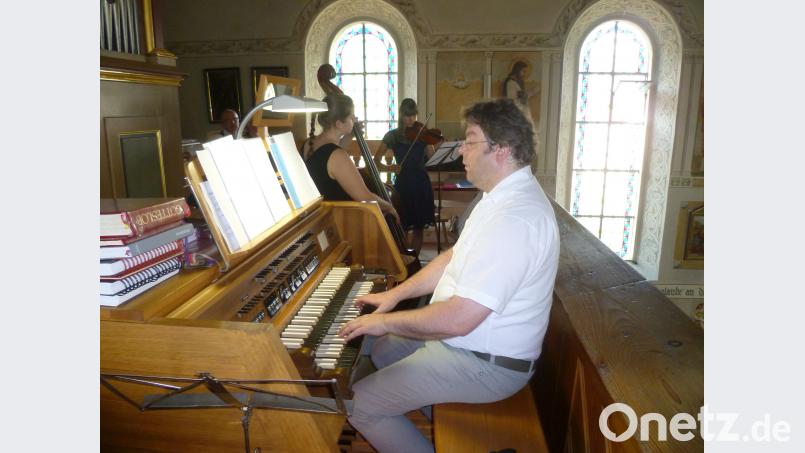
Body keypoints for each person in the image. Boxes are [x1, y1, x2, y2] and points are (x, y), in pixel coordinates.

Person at [339, 98, 560, 453]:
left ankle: (429, 420)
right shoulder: (496, 198)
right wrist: (394, 296)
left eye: (470, 140)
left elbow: (458, 320)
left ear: (501, 149)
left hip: (487, 364)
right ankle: (436, 414)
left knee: (358, 404)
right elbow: (451, 257)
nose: (460, 151)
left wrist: (385, 321)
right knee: (383, 351)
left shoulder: (515, 220)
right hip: (467, 344)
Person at [302, 93, 399, 220]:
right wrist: (389, 207)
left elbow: (327, 158)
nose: (354, 118)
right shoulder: (337, 156)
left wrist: (349, 137)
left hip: (321, 216)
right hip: (341, 221)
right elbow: (365, 197)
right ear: (339, 124)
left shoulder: (308, 144)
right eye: (351, 116)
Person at [373, 98, 437, 254]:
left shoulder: (422, 133)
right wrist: (390, 167)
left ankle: (414, 258)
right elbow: (376, 161)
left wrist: (429, 140)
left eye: (414, 115)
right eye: (408, 115)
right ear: (401, 115)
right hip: (403, 185)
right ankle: (404, 257)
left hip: (421, 183)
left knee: (419, 227)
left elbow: (433, 158)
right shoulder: (392, 136)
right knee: (402, 225)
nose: (411, 119)